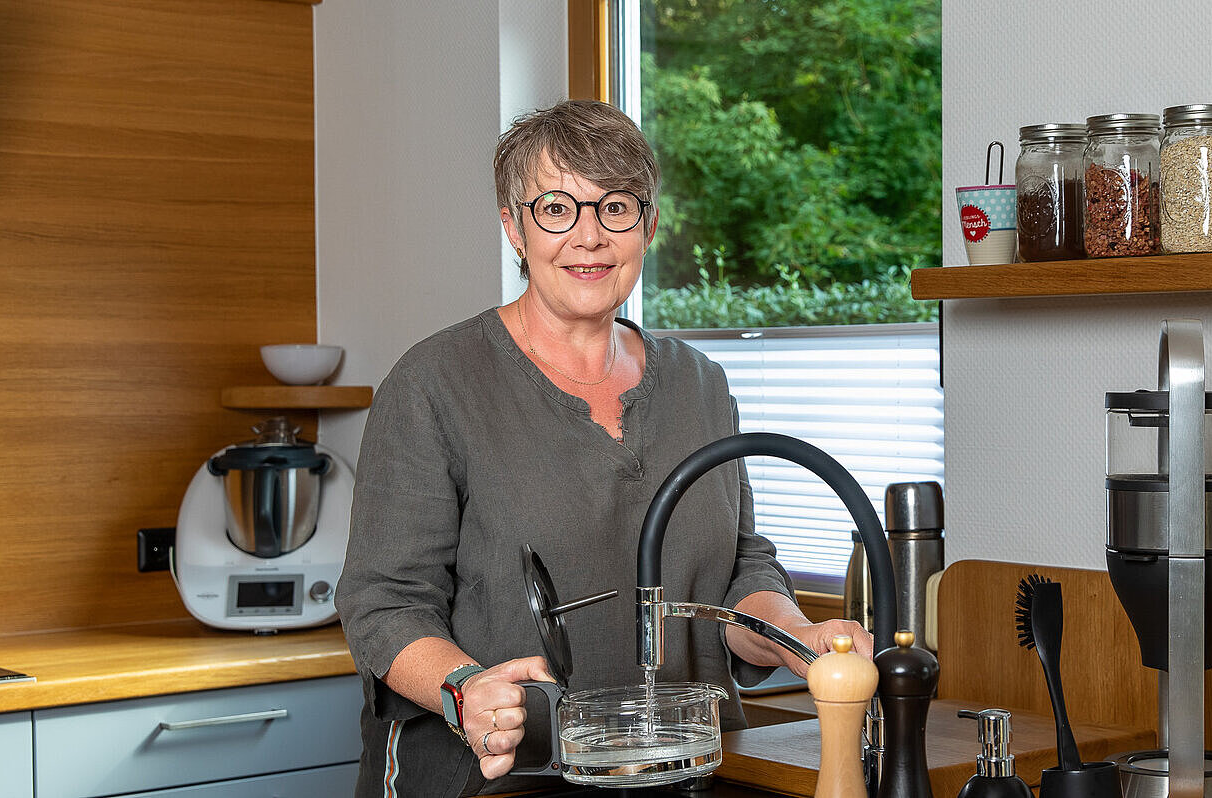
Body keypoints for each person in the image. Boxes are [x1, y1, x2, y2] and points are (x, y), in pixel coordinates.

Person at [335, 99, 873, 798]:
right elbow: (384, 602)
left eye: (614, 208)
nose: (588, 238)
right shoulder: (434, 383)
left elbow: (737, 571)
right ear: (514, 229)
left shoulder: (699, 383)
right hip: (498, 780)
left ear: (646, 225)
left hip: (683, 770)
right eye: (556, 209)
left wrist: (798, 638)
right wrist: (465, 689)